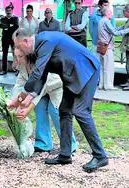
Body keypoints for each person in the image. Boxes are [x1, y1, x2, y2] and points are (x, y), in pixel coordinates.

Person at [11, 28, 108, 173]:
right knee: (64, 111)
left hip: (87, 69)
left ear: (26, 41)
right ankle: (65, 154)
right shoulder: (39, 48)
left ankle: (100, 156)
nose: (18, 50)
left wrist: (21, 97)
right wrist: (28, 97)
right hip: (71, 74)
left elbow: (37, 73)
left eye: (18, 46)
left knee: (81, 111)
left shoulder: (45, 41)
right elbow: (42, 76)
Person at [10, 48, 78, 153]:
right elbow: (20, 83)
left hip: (58, 84)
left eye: (20, 57)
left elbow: (41, 88)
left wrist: (28, 107)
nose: (17, 60)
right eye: (16, 56)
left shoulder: (40, 64)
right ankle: (43, 143)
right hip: (40, 89)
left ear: (28, 56)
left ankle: (69, 145)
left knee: (55, 111)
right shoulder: (23, 65)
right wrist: (15, 103)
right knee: (40, 109)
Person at [97, 7, 129, 90]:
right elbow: (115, 33)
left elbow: (112, 30)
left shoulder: (102, 20)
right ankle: (108, 86)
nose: (112, 13)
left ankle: (102, 84)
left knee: (102, 66)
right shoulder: (106, 21)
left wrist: (122, 27)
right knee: (108, 67)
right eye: (110, 12)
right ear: (106, 13)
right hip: (107, 47)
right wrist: (127, 30)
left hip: (101, 46)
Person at [0, 5, 19, 75]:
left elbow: (16, 26)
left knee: (15, 55)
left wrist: (7, 26)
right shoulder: (2, 18)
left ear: (12, 11)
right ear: (5, 11)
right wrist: (10, 25)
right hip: (5, 39)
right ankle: (4, 70)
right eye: (7, 11)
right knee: (4, 54)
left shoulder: (15, 18)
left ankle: (17, 70)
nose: (8, 12)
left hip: (13, 39)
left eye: (10, 10)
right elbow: (1, 26)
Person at [119, 4, 129, 91]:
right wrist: (115, 29)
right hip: (127, 46)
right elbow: (123, 27)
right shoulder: (127, 21)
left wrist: (119, 32)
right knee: (127, 64)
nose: (123, 13)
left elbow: (126, 30)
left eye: (124, 12)